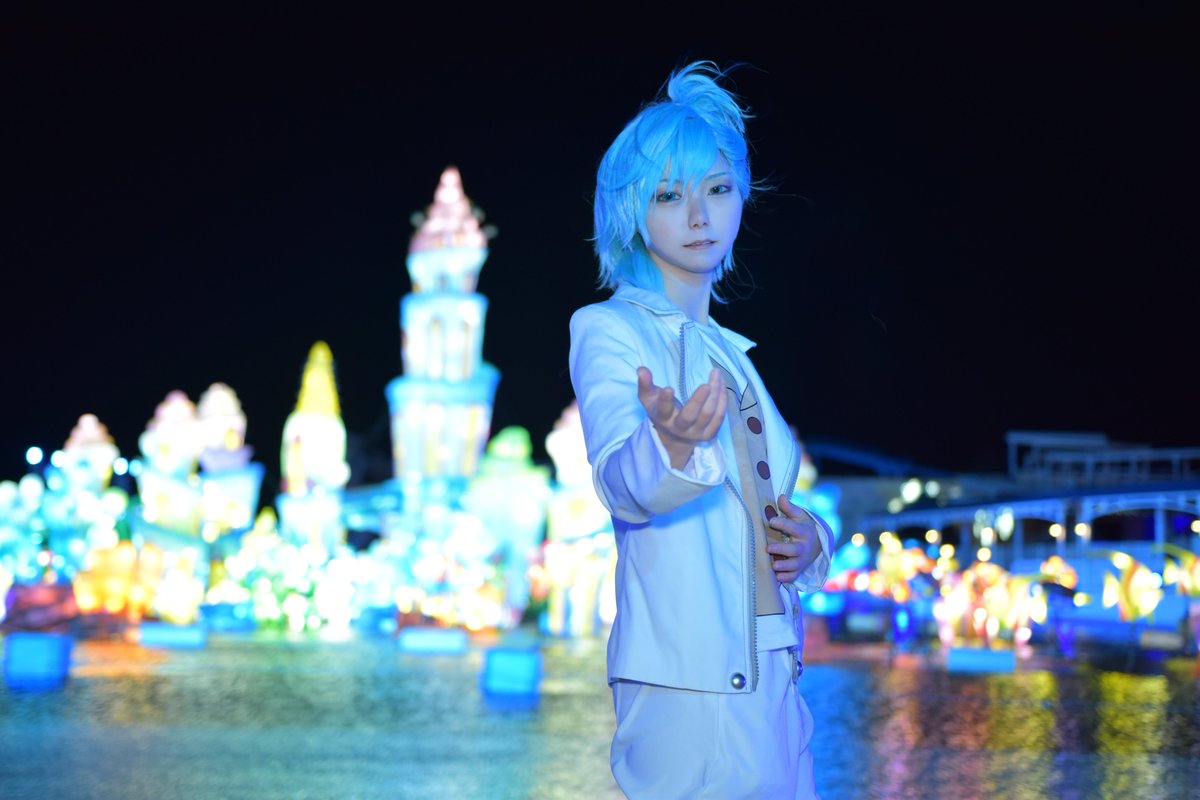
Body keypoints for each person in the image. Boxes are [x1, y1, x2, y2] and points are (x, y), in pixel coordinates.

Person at [568, 60, 835, 799]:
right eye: (669, 195)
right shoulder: (609, 329)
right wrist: (671, 446)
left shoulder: (732, 355)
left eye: (717, 189)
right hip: (686, 683)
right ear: (630, 211)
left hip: (773, 670)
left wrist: (814, 541)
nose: (698, 215)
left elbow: (768, 503)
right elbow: (620, 482)